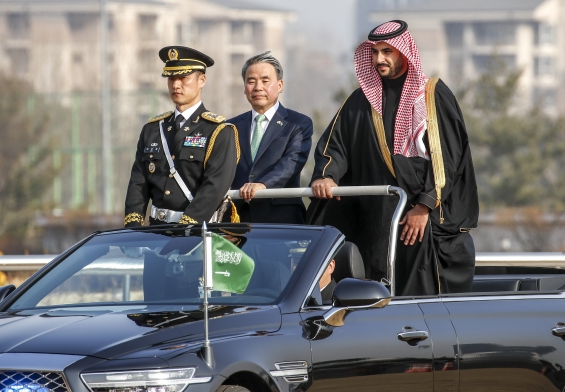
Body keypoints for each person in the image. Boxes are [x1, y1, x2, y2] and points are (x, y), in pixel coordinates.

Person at [308, 20, 479, 296]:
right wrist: (327, 175)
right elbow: (335, 145)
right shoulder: (361, 101)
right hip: (375, 222)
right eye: (374, 52)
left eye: (387, 51)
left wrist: (424, 207)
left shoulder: (433, 95)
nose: (379, 59)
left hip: (421, 221)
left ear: (404, 52)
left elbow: (449, 158)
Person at [124, 46, 239, 226]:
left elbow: (215, 186)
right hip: (156, 232)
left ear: (202, 80)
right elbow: (138, 183)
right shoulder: (153, 129)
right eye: (171, 78)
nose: (176, 85)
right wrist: (133, 226)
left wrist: (187, 227)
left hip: (197, 234)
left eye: (183, 78)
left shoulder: (219, 130)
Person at [226, 51, 312, 224]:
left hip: (281, 218)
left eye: (265, 81)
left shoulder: (297, 124)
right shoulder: (231, 126)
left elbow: (291, 164)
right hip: (237, 220)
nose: (258, 87)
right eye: (251, 81)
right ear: (244, 88)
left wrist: (263, 185)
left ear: (280, 85)